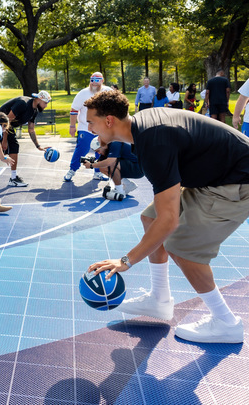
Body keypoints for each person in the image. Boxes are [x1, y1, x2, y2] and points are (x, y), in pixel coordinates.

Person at [85, 91, 249, 344]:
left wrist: (126, 261)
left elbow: (170, 220)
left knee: (183, 248)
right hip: (213, 175)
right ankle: (159, 300)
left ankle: (226, 323)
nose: (89, 129)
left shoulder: (153, 142)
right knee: (151, 218)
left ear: (109, 121)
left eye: (90, 122)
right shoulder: (142, 128)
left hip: (237, 180)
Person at [0, 91, 52, 187]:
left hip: (6, 126)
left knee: (4, 150)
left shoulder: (34, 111)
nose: (46, 106)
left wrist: (38, 146)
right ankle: (13, 178)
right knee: (12, 146)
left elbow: (31, 130)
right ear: (39, 99)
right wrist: (5, 140)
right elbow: (7, 120)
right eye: (45, 103)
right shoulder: (23, 103)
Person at [63, 72, 110, 183]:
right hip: (85, 127)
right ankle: (72, 170)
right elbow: (74, 110)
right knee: (82, 149)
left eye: (97, 81)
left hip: (102, 128)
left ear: (102, 81)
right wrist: (72, 126)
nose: (94, 83)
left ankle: (98, 172)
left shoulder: (108, 91)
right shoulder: (83, 93)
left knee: (101, 150)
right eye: (92, 80)